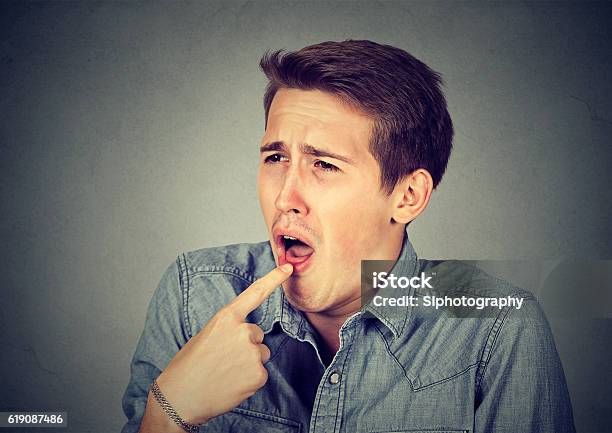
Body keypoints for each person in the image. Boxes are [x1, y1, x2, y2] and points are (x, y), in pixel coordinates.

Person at [121, 40, 575, 433]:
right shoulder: (193, 295)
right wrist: (170, 413)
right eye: (276, 157)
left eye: (324, 164)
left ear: (408, 196)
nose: (285, 198)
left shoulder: (497, 329)